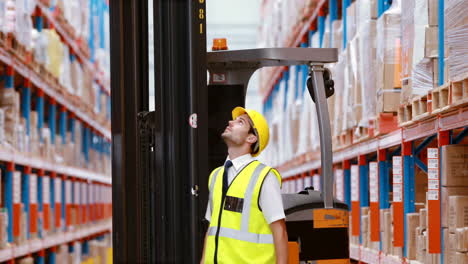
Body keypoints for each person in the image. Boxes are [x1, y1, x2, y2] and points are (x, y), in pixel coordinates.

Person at [200, 107, 288, 264]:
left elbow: (279, 230)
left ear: (251, 138)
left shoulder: (264, 177)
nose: (230, 122)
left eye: (240, 122)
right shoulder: (216, 176)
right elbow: (211, 228)